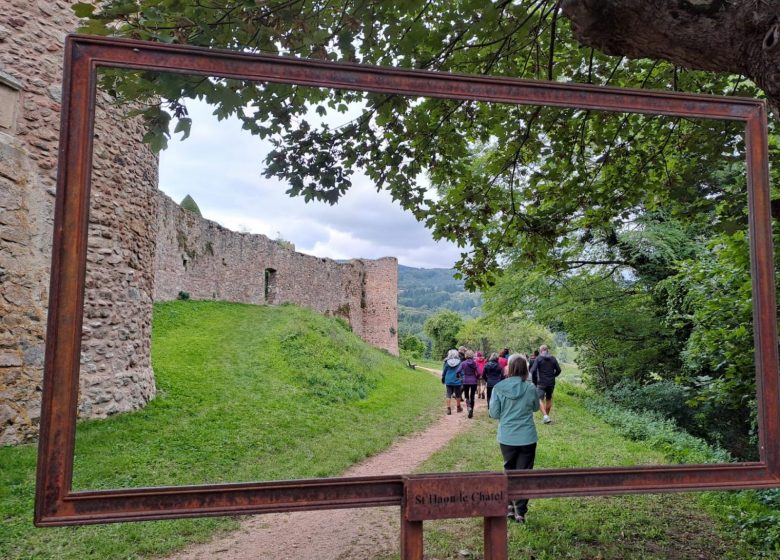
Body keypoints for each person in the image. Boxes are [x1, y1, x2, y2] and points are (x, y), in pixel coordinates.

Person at [489, 353, 539, 523]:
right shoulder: (531, 388)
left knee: (508, 469)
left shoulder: (498, 388)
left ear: (508, 369)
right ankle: (521, 511)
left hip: (507, 436)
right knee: (524, 473)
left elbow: (494, 413)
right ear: (525, 369)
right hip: (527, 437)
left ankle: (509, 505)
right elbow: (535, 408)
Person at [529, 344, 562, 424]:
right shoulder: (553, 358)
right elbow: (559, 370)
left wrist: (534, 381)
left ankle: (545, 416)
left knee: (539, 399)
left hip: (541, 382)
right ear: (548, 350)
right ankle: (546, 417)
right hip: (551, 382)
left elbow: (533, 370)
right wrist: (554, 375)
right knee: (549, 399)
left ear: (540, 351)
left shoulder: (539, 358)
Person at [441, 349, 464, 415]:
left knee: (448, 394)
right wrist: (462, 379)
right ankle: (458, 407)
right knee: (458, 394)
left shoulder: (446, 362)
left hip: (448, 380)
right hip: (457, 380)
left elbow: (444, 371)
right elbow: (462, 371)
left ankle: (448, 409)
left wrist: (443, 378)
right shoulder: (460, 362)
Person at [460, 349, 479, 418]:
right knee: (472, 396)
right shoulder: (475, 363)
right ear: (472, 355)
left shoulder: (463, 363)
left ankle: (468, 407)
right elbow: (479, 373)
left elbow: (458, 371)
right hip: (473, 381)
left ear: (466, 355)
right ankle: (472, 411)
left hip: (465, 381)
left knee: (466, 396)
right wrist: (476, 377)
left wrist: (459, 377)